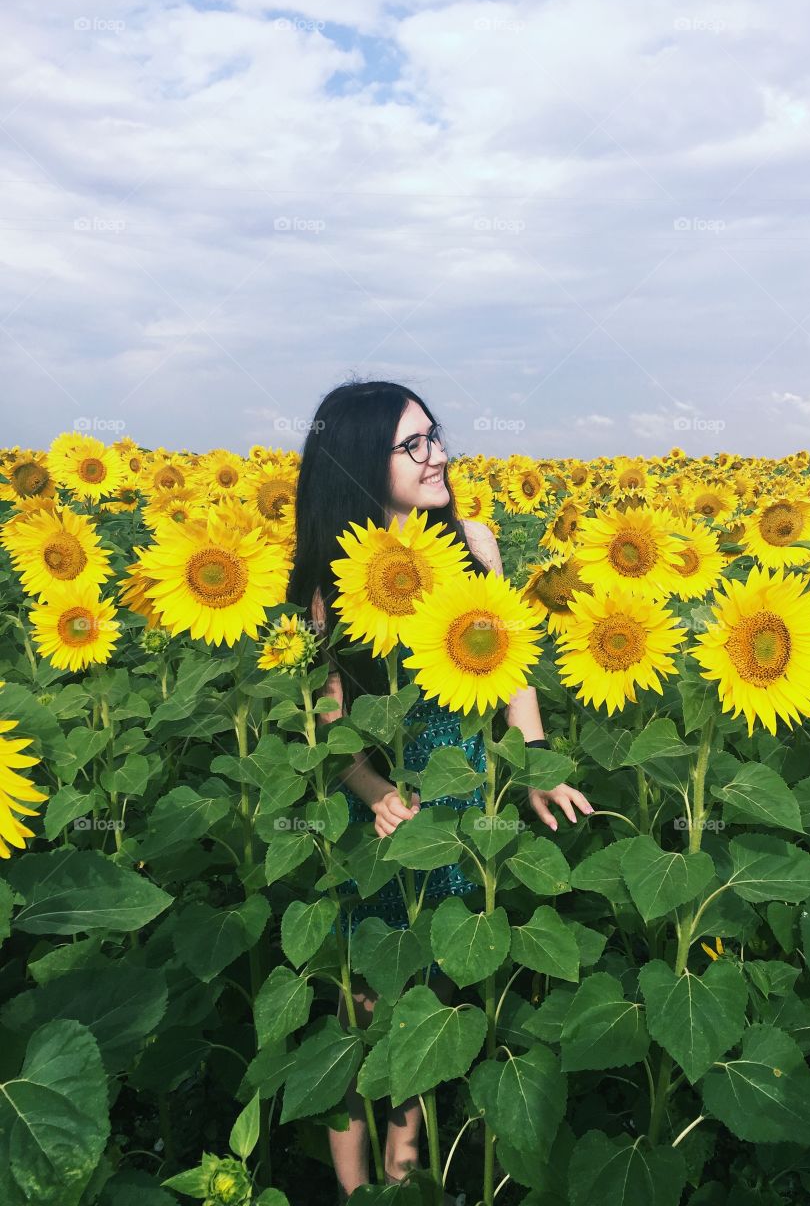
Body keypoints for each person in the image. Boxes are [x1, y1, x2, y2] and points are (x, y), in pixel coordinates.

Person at [286, 377, 593, 1199]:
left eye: (437, 435)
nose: (439, 455)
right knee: (362, 1008)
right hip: (378, 823)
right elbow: (328, 726)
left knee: (436, 993)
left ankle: (406, 1169)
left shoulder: (474, 545)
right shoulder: (331, 583)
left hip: (460, 799)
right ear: (358, 463)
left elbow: (513, 665)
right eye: (413, 445)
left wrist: (533, 763)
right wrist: (372, 786)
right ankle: (358, 1194)